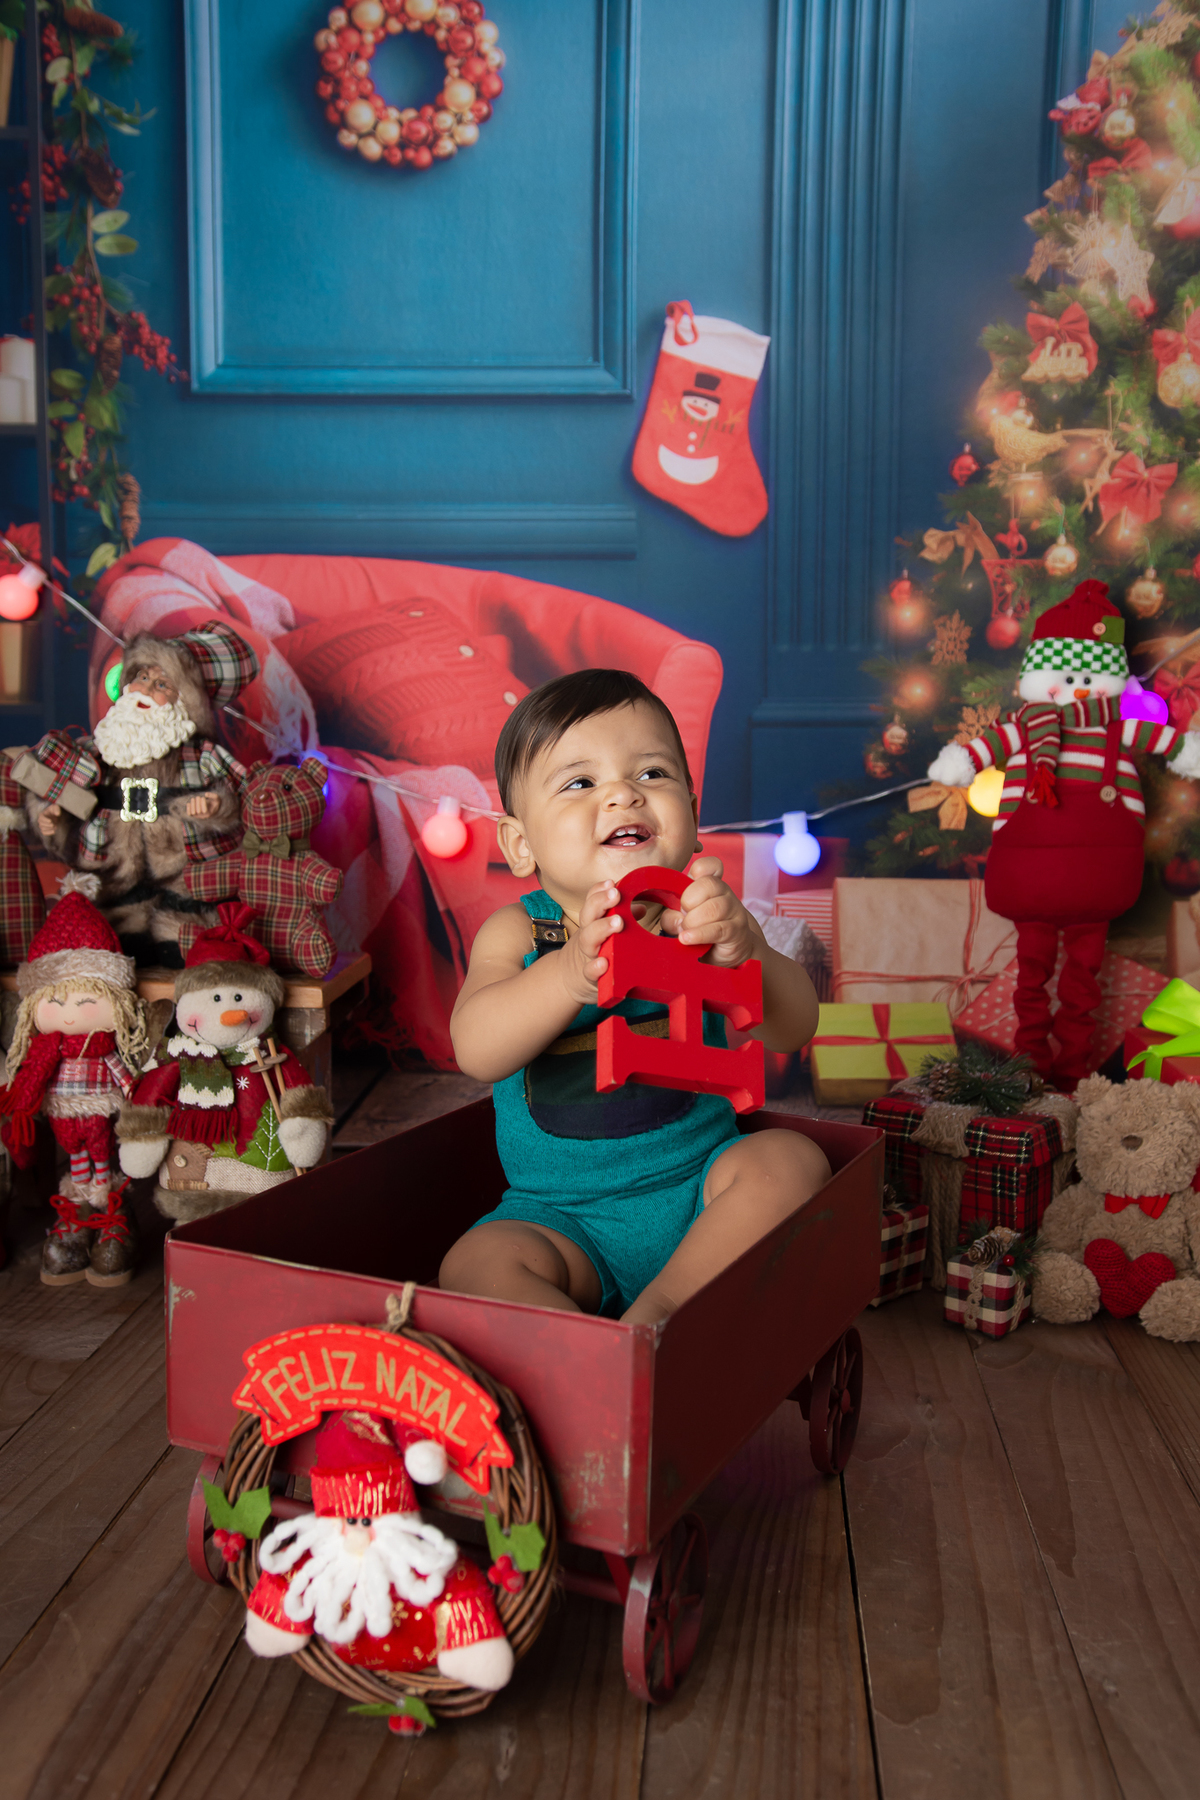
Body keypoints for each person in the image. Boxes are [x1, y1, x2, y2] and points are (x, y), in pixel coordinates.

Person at [440, 668, 826, 1326]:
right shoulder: (519, 931)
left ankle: (659, 1320)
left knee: (791, 1159)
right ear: (521, 843)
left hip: (703, 1192)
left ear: (694, 814)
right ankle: (580, 1357)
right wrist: (568, 975)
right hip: (562, 1220)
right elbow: (476, 1049)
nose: (622, 795)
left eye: (652, 774)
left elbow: (794, 1028)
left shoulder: (706, 919)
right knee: (474, 1265)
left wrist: (748, 955)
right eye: (580, 783)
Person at [19, 621, 257, 966]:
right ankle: (126, 930)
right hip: (114, 875)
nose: (145, 689)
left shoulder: (201, 755)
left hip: (185, 875)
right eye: (141, 677)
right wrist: (52, 815)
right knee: (114, 936)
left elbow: (244, 791)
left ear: (185, 701)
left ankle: (183, 934)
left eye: (162, 684)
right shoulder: (100, 750)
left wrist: (218, 805)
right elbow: (61, 787)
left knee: (187, 931)